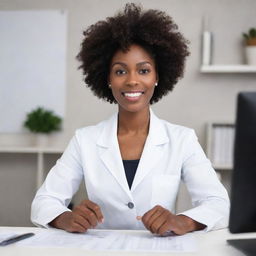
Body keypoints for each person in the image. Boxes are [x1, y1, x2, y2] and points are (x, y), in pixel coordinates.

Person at [31, 3, 230, 236]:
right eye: (120, 71)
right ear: (107, 79)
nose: (132, 81)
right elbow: (43, 202)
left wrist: (183, 222)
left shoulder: (182, 139)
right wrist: (67, 217)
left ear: (158, 76)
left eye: (144, 70)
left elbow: (219, 204)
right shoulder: (85, 140)